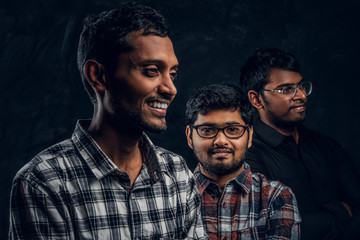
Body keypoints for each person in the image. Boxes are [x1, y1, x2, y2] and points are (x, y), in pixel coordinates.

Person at [9, 3, 207, 239]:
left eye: (172, 74)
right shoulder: (44, 182)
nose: (170, 88)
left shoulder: (177, 174)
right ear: (98, 76)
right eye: (152, 71)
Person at [239, 48, 360, 239]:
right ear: (256, 99)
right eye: (287, 89)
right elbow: (265, 229)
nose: (301, 95)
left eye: (301, 85)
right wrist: (338, 213)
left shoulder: (327, 146)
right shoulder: (246, 154)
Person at [185, 83, 301, 239]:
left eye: (233, 130)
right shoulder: (171, 198)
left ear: (249, 135)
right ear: (189, 136)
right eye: (207, 130)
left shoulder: (277, 198)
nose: (220, 141)